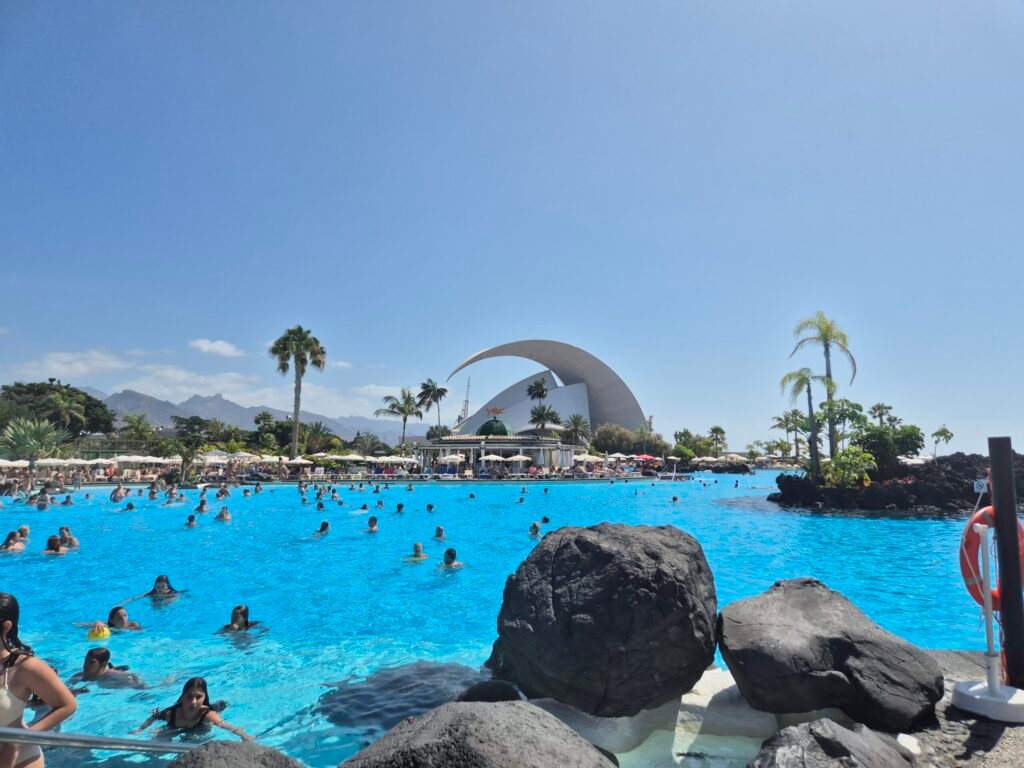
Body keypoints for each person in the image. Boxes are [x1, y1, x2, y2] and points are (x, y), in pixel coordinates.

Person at [0, 593, 78, 767]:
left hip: (18, 758)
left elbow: (67, 705)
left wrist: (20, 740)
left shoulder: (25, 667)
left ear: (6, 626)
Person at [131, 677, 251, 741]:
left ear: (204, 698)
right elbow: (154, 716)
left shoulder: (209, 714)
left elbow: (228, 726)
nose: (193, 701)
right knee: (159, 736)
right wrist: (139, 730)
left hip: (200, 725)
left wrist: (244, 735)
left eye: (198, 697)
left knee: (191, 739)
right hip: (177, 724)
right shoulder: (171, 713)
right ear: (182, 697)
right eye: (189, 697)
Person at [69, 647, 146, 689]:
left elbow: (136, 680)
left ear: (103, 663)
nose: (86, 665)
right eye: (85, 661)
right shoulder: (78, 677)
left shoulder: (116, 677)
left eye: (91, 662)